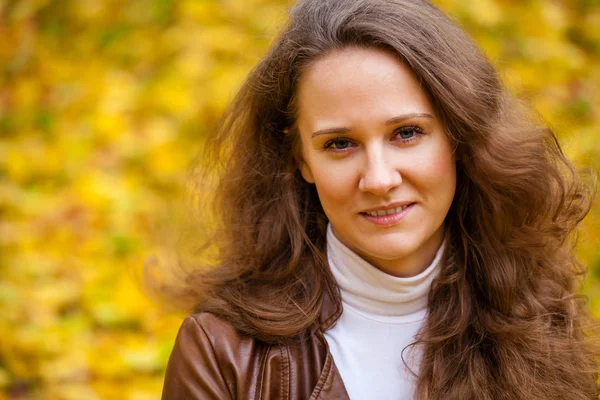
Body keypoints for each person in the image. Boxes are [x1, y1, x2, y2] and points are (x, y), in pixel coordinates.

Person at [160, 0, 599, 398]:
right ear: (301, 160)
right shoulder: (222, 353)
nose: (379, 178)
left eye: (407, 133)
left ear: (460, 137)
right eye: (339, 144)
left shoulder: (541, 318)